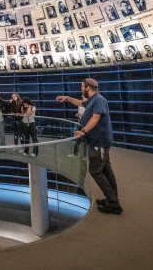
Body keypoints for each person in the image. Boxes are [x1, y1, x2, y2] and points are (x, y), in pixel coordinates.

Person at [56, 78, 122, 215]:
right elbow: (80, 102)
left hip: (99, 142)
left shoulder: (98, 100)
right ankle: (112, 199)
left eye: (82, 86)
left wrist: (83, 131)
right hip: (96, 141)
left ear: (88, 88)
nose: (81, 89)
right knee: (105, 170)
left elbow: (96, 118)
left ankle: (113, 204)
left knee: (95, 170)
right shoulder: (92, 99)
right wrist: (67, 98)